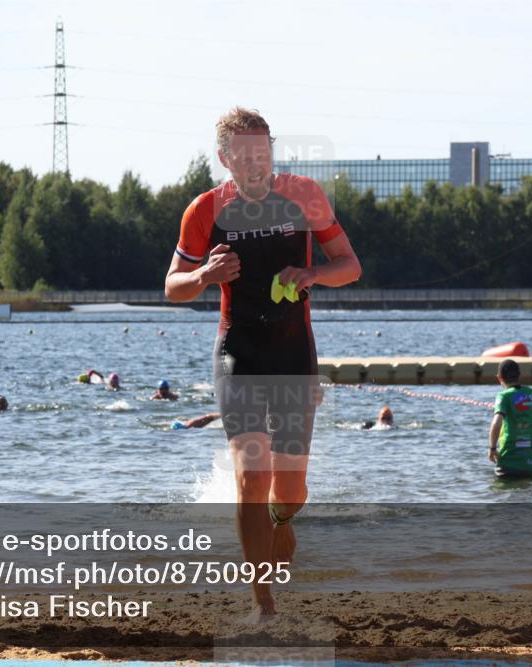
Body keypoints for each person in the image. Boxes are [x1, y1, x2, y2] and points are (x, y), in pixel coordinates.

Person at [164, 107, 361, 619]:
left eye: (263, 152)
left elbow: (349, 266)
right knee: (252, 472)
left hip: (294, 352)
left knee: (289, 490)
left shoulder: (304, 197)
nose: (256, 164)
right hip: (239, 351)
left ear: (272, 149)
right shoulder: (205, 210)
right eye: (244, 155)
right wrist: (205, 274)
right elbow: (172, 288)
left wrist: (311, 273)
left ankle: (282, 518)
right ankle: (263, 603)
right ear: (225, 158)